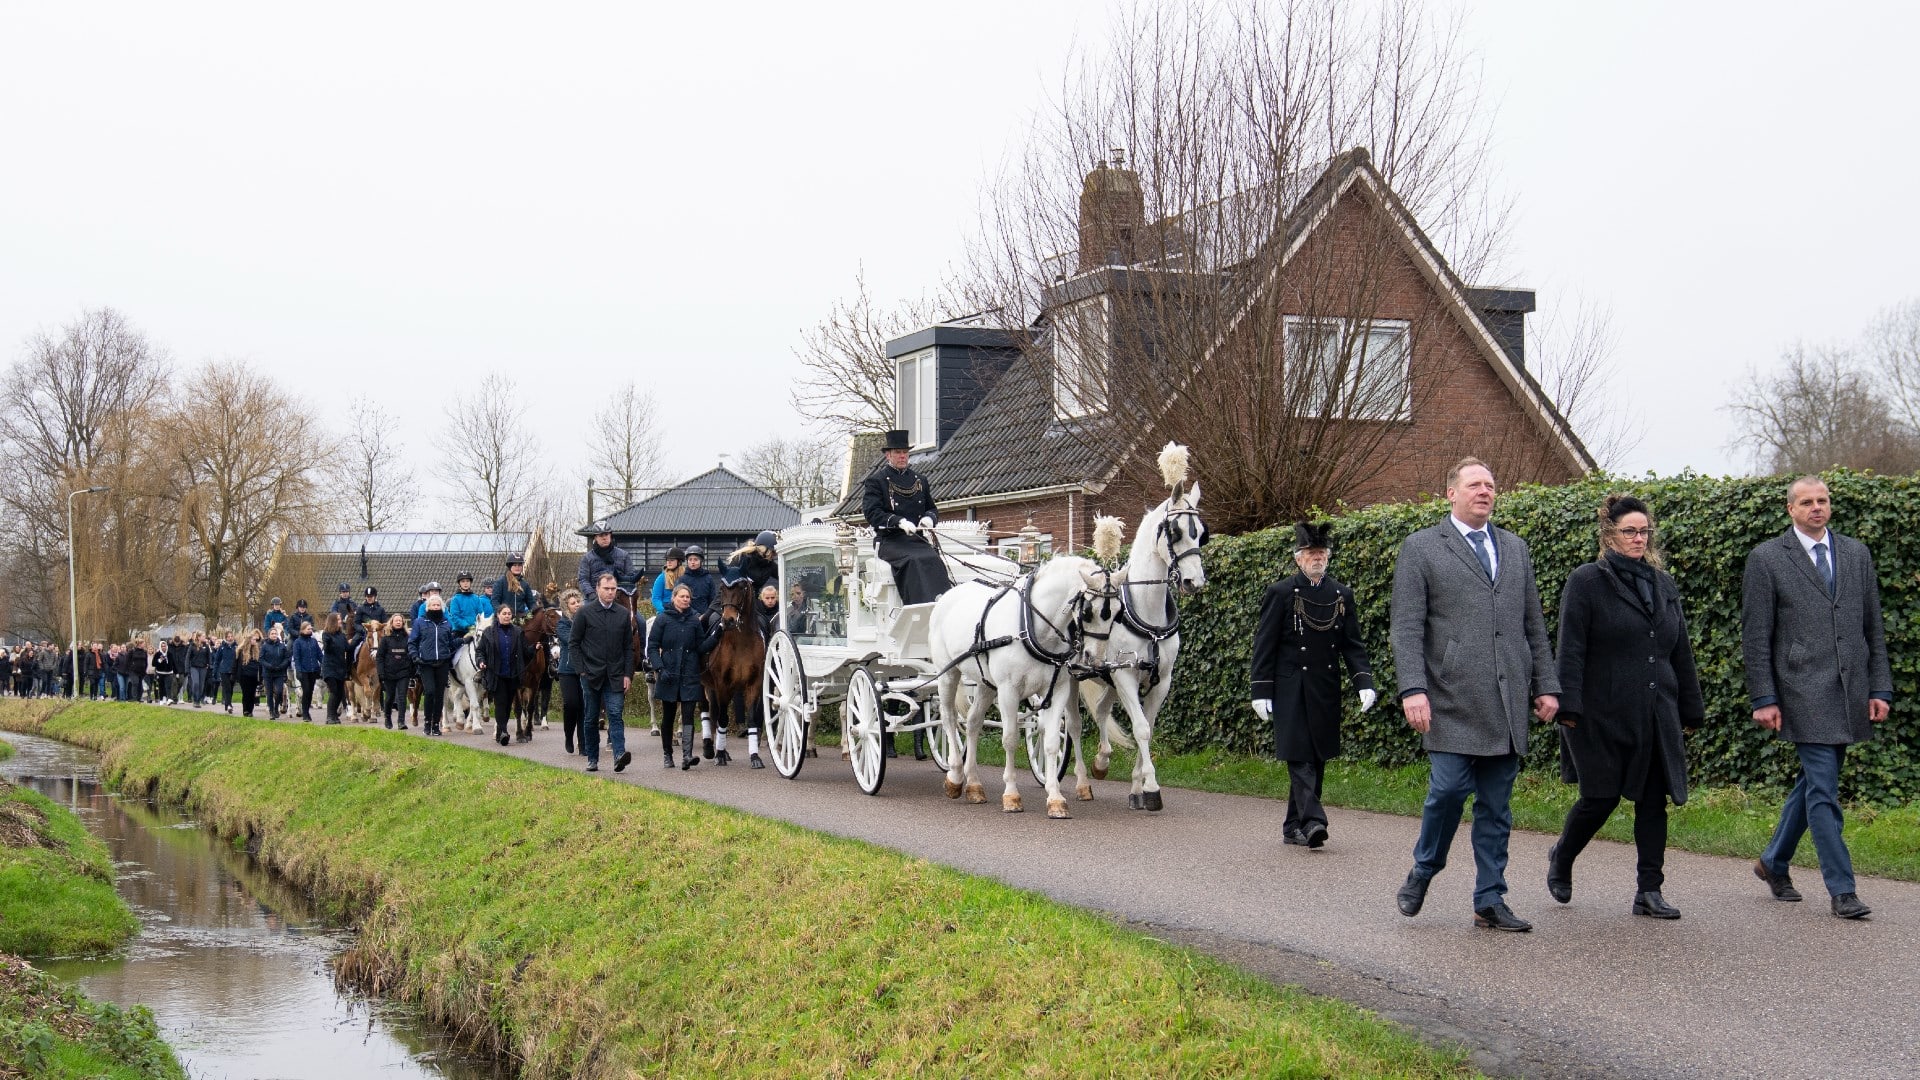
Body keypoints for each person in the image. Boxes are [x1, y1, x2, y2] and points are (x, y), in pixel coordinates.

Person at [1391, 457, 1559, 933]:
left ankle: (1490, 897)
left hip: (1505, 702)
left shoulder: (1515, 548)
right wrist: (1413, 689)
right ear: (1451, 493)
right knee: (1446, 791)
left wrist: (1546, 684)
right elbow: (1406, 628)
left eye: (1490, 484)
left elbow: (1534, 626)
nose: (1484, 491)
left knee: (1496, 806)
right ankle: (1424, 869)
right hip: (1448, 698)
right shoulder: (1421, 548)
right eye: (1474, 485)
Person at [1549, 495, 1705, 920]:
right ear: (1609, 535)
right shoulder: (1586, 581)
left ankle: (1648, 891)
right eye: (1629, 531)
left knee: (1654, 800)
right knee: (1599, 798)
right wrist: (1568, 707)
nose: (1639, 538)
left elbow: (1680, 651)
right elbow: (1572, 648)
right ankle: (1562, 857)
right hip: (1599, 713)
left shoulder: (1663, 584)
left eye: (1644, 531)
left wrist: (1690, 708)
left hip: (1656, 712)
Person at [1743, 476, 1891, 920]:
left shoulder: (1855, 553)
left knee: (1812, 784)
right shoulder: (1767, 558)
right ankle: (1842, 890)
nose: (1816, 508)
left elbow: (1873, 627)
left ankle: (1773, 862)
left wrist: (1879, 686)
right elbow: (1756, 636)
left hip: (1850, 690)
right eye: (1806, 502)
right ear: (1790, 509)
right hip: (1800, 691)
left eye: (1822, 501)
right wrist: (1764, 696)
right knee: (1824, 789)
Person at [1249, 521, 1377, 850]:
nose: (1316, 558)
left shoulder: (1340, 594)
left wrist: (1364, 681)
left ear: (1328, 558)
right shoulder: (1280, 593)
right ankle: (1313, 820)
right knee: (1299, 755)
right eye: (1310, 553)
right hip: (1290, 686)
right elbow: (1265, 645)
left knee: (1317, 756)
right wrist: (1260, 690)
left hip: (1326, 685)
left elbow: (1352, 644)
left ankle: (1293, 825)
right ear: (1298, 559)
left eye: (1321, 553)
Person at [860, 428, 950, 605]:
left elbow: (931, 508)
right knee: (914, 560)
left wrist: (929, 518)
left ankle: (942, 604)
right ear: (888, 455)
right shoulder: (876, 481)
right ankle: (917, 605)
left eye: (905, 452)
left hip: (916, 539)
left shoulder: (920, 480)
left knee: (934, 559)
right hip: (890, 541)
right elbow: (872, 513)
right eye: (898, 452)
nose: (902, 456)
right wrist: (898, 521)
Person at [569, 572, 637, 773]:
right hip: (591, 674)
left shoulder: (623, 614)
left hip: (615, 674)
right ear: (597, 589)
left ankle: (619, 755)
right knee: (590, 717)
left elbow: (628, 648)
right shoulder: (584, 613)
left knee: (615, 714)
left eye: (613, 589)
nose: (610, 592)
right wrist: (581, 670)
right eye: (606, 588)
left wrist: (628, 674)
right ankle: (592, 757)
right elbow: (574, 643)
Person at [649, 581, 718, 770]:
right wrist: (660, 668)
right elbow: (653, 646)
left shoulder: (694, 620)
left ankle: (687, 755)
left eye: (688, 597)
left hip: (689, 674)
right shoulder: (663, 619)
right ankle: (667, 755)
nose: (686, 599)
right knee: (668, 717)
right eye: (682, 596)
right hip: (668, 673)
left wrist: (716, 637)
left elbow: (700, 646)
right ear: (674, 598)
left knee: (688, 715)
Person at [476, 603, 530, 746]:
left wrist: (535, 648)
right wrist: (481, 662)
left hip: (512, 674)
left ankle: (500, 729)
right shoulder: (489, 632)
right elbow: (480, 651)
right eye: (504, 613)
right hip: (496, 673)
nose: (507, 616)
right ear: (498, 615)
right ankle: (505, 731)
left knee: (507, 705)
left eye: (509, 614)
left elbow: (526, 651)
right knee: (500, 702)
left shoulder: (518, 632)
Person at [408, 592, 460, 736]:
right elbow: (412, 642)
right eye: (433, 605)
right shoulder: (420, 622)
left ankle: (436, 724)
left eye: (438, 605)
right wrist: (415, 656)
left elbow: (450, 643)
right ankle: (427, 722)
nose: (435, 607)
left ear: (442, 607)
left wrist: (463, 640)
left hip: (442, 662)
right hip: (425, 663)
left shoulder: (446, 624)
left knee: (439, 695)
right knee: (429, 692)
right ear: (427, 607)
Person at [554, 589, 584, 754]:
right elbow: (572, 640)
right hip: (567, 670)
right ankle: (568, 735)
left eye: (578, 602)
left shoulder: (587, 620)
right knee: (571, 704)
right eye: (573, 603)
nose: (577, 605)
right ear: (566, 607)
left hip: (585, 670)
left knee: (584, 706)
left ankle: (583, 743)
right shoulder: (562, 624)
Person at [577, 521, 634, 597]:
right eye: (601, 535)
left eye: (606, 534)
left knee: (635, 609)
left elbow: (630, 577)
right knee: (583, 609)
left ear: (610, 535)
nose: (604, 538)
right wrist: (592, 595)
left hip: (619, 596)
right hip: (594, 597)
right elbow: (583, 580)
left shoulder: (624, 555)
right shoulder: (587, 558)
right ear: (595, 537)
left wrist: (622, 593)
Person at [376, 613, 412, 729]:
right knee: (390, 697)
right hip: (389, 672)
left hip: (403, 672)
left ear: (403, 623)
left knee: (402, 696)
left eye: (400, 621)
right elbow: (380, 657)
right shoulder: (385, 640)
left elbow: (411, 654)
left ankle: (401, 721)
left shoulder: (407, 638)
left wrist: (411, 669)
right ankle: (388, 717)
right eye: (396, 620)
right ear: (391, 623)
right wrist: (381, 673)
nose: (398, 622)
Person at [321, 613, 353, 725]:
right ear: (333, 621)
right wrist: (328, 643)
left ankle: (334, 715)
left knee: (340, 693)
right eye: (339, 619)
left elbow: (347, 648)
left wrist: (356, 639)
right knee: (334, 692)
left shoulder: (341, 635)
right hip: (329, 668)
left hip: (340, 668)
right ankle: (330, 716)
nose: (341, 621)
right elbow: (328, 649)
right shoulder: (326, 635)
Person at [292, 622, 323, 720]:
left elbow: (319, 655)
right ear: (302, 630)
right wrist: (298, 671)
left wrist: (324, 664)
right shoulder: (297, 642)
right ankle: (305, 713)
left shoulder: (313, 641)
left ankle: (307, 711)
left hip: (313, 670)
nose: (310, 630)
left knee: (310, 691)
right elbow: (296, 657)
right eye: (308, 629)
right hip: (303, 670)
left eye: (311, 629)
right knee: (306, 690)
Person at [260, 625, 292, 720]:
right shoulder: (265, 646)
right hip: (268, 673)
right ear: (269, 635)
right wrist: (269, 666)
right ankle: (271, 711)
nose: (274, 635)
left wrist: (282, 666)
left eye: (275, 634)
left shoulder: (282, 646)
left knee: (279, 691)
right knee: (269, 693)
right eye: (272, 634)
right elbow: (261, 659)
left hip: (279, 672)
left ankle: (276, 707)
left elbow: (287, 658)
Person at [447, 572, 494, 637]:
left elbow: (481, 614)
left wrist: (477, 626)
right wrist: (467, 626)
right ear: (459, 583)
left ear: (470, 582)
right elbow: (455, 617)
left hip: (475, 630)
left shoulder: (476, 598)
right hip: (460, 632)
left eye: (467, 581)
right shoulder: (455, 599)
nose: (465, 583)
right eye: (463, 581)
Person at [234, 631, 263, 717]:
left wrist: (260, 677)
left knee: (252, 693)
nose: (255, 641)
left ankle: (250, 710)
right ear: (249, 640)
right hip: (244, 675)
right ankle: (245, 710)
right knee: (246, 693)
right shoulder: (241, 651)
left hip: (254, 675)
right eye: (254, 639)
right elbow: (235, 664)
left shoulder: (256, 651)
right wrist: (235, 675)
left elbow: (259, 664)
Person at [650, 546, 685, 613]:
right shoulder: (662, 577)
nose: (668, 562)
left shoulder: (685, 577)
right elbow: (656, 599)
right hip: (665, 611)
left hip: (683, 611)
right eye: (667, 560)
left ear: (679, 562)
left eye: (672, 560)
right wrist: (664, 611)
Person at [213, 631, 237, 712]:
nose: (230, 638)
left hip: (233, 670)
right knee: (227, 688)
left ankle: (227, 703)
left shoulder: (236, 647)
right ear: (226, 638)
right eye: (228, 636)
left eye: (231, 636)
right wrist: (215, 671)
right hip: (224, 670)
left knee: (231, 688)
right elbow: (217, 660)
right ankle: (229, 705)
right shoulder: (222, 647)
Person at [187, 634, 211, 706]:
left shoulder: (206, 646)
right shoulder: (192, 646)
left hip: (203, 668)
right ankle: (195, 700)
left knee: (201, 685)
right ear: (198, 637)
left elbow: (209, 656)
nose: (204, 638)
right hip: (194, 667)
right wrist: (187, 668)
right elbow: (188, 658)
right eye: (203, 636)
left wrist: (209, 664)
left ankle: (199, 699)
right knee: (196, 683)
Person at [150, 638, 175, 704]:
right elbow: (153, 664)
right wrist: (159, 660)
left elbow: (173, 663)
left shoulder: (170, 654)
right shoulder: (157, 654)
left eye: (165, 646)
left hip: (169, 672)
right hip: (160, 673)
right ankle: (162, 698)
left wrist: (176, 672)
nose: (164, 647)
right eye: (162, 646)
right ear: (160, 647)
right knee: (161, 686)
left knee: (168, 686)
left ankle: (169, 698)